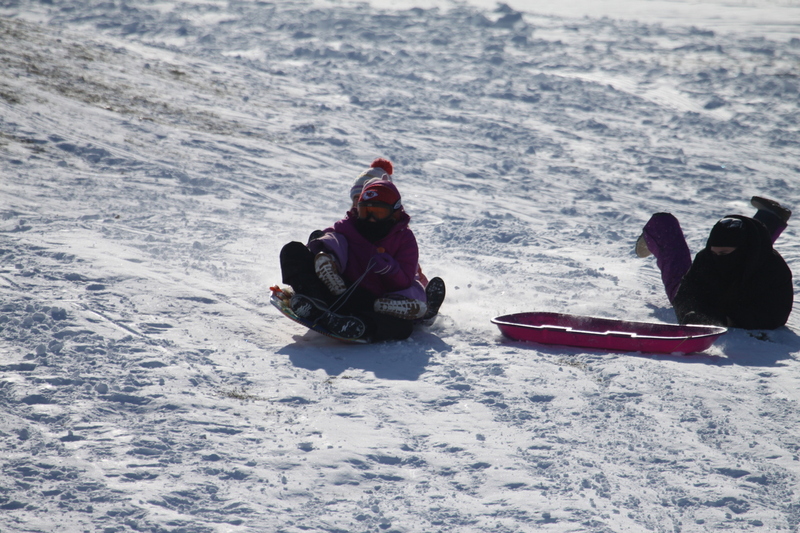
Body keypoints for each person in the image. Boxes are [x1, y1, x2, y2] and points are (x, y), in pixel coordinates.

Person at [280, 180, 433, 341]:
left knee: (403, 327)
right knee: (292, 250)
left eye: (378, 212)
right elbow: (323, 240)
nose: (371, 219)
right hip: (336, 289)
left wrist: (390, 270)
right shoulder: (348, 226)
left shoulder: (404, 239)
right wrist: (324, 253)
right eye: (365, 212)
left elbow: (404, 281)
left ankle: (355, 325)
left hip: (371, 302)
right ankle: (312, 302)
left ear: (394, 212)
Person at [635, 196, 793, 329]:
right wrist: (690, 314)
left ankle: (658, 230)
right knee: (750, 243)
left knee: (673, 256)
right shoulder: (707, 258)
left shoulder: (773, 270)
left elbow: (775, 314)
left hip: (731, 303)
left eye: (723, 253)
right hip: (709, 298)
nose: (717, 258)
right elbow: (685, 294)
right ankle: (770, 218)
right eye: (714, 252)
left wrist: (726, 320)